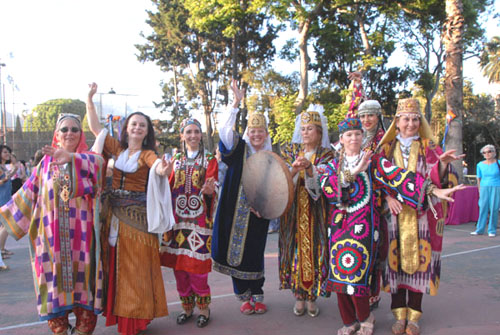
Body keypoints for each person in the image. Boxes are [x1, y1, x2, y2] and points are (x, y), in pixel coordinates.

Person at [320, 118, 463, 335]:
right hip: (339, 226)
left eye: (358, 134)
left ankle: (365, 317)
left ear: (362, 136)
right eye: (349, 135)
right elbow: (328, 188)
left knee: (357, 270)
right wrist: (356, 170)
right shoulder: (332, 165)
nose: (354, 138)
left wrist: (432, 191)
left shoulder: (375, 161)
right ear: (341, 139)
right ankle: (348, 321)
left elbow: (401, 178)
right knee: (338, 273)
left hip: (364, 225)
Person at [0, 114, 105, 334]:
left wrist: (71, 157)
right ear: (56, 134)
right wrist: (6, 219)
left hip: (83, 243)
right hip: (50, 243)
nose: (69, 133)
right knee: (55, 312)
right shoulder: (44, 166)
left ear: (81, 134)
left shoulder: (89, 159)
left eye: (74, 129)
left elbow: (99, 167)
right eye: (64, 129)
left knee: (86, 315)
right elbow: (26, 197)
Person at [87, 82, 174, 335]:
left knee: (135, 270)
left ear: (146, 132)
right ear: (127, 128)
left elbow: (157, 166)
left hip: (138, 219)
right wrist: (89, 100)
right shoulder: (118, 148)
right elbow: (96, 129)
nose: (137, 127)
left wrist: (164, 169)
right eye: (133, 124)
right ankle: (128, 317)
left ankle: (135, 320)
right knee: (116, 267)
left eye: (142, 125)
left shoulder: (147, 154)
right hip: (113, 215)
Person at [377, 98, 463, 335]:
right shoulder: (386, 149)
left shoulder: (429, 147)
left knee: (421, 265)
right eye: (406, 119)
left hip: (422, 215)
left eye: (416, 119)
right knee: (393, 264)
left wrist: (443, 165)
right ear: (397, 121)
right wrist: (386, 198)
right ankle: (398, 314)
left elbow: (442, 175)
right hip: (393, 216)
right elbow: (376, 179)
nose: (411, 123)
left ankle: (413, 316)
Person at [212, 79, 272, 315]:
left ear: (265, 134)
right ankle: (244, 297)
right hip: (233, 210)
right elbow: (225, 131)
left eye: (260, 132)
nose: (256, 135)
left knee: (255, 252)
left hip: (259, 213)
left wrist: (266, 208)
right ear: (249, 133)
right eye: (253, 131)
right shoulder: (238, 148)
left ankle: (257, 294)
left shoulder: (270, 157)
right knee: (234, 251)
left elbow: (276, 187)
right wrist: (235, 103)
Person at [160, 117, 218, 328]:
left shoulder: (210, 159)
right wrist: (162, 176)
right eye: (189, 132)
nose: (193, 135)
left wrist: (211, 191)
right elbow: (166, 186)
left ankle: (203, 309)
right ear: (182, 135)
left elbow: (213, 184)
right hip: (176, 223)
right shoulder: (175, 159)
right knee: (179, 269)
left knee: (197, 269)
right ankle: (186, 308)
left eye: (196, 131)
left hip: (199, 222)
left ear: (201, 135)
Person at [279, 104, 333, 317]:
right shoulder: (289, 151)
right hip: (293, 212)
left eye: (310, 128)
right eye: (303, 129)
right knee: (293, 251)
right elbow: (281, 180)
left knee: (317, 250)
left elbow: (328, 183)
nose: (305, 132)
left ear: (319, 133)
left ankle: (312, 296)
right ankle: (298, 295)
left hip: (317, 211)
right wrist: (295, 168)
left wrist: (310, 169)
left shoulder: (327, 155)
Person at [357, 100, 386, 310]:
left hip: (379, 202)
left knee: (376, 250)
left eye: (371, 115)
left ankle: (372, 297)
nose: (366, 120)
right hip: (358, 203)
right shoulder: (357, 138)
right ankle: (358, 296)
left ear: (378, 116)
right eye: (363, 116)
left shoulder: (385, 140)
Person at [471, 144, 500, 237]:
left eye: (489, 151)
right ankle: (479, 229)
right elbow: (478, 178)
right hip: (484, 188)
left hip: (496, 187)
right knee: (483, 208)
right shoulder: (479, 165)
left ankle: (492, 230)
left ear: (494, 152)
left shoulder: (498, 163)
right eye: (484, 152)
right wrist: (479, 190)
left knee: (494, 208)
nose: (487, 153)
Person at [0, 145, 16, 265]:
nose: (7, 154)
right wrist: (4, 179)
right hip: (2, 198)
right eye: (5, 152)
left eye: (8, 152)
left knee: (4, 225)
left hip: (6, 196)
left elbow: (13, 171)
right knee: (5, 224)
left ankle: (2, 249)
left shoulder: (3, 166)